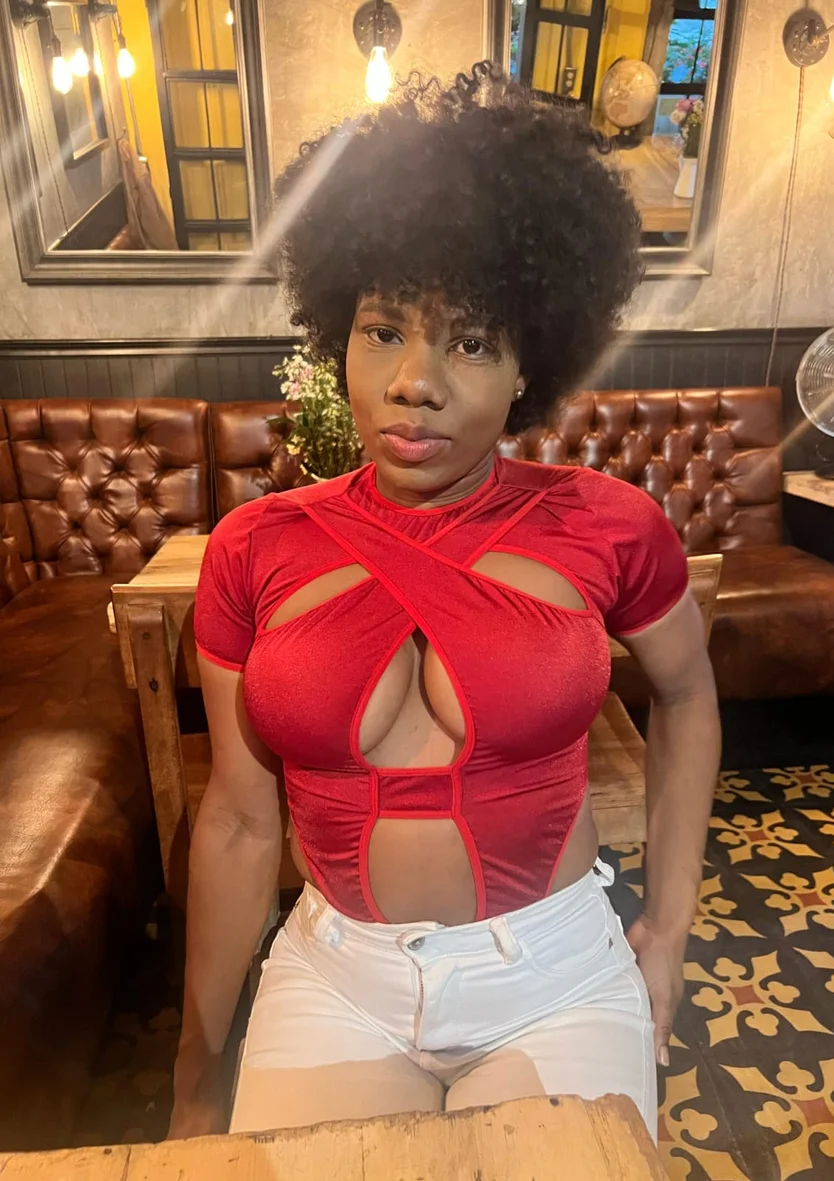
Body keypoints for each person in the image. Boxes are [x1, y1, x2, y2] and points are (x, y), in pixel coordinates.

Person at [169, 62, 720, 1141]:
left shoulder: (607, 526)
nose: (413, 380)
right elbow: (236, 818)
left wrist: (669, 927)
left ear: (529, 367)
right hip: (338, 974)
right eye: (383, 329)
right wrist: (194, 1071)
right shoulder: (253, 548)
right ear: (339, 332)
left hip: (556, 970)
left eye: (469, 340)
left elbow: (690, 695)